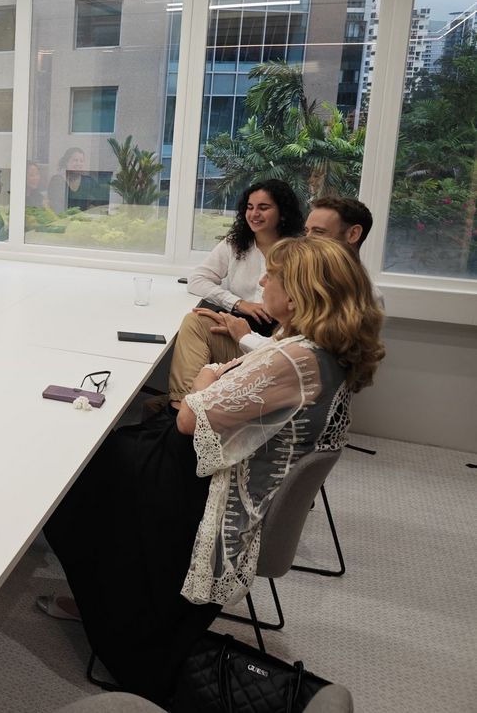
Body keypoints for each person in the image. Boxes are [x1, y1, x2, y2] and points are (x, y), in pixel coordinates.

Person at [41, 237, 385, 704]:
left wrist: (204, 381)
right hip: (233, 467)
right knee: (113, 451)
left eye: (273, 276)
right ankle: (101, 598)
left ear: (299, 295)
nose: (262, 280)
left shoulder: (297, 359)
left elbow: (189, 418)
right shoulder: (316, 348)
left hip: (218, 489)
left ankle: (109, 609)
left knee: (81, 473)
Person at [167, 179, 305, 408]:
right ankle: (182, 406)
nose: (254, 214)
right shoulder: (236, 243)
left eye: (263, 207)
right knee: (195, 320)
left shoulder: (300, 251)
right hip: (239, 327)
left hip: (278, 340)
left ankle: (190, 412)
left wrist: (245, 334)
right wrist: (238, 303)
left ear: (282, 213)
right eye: (250, 207)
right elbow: (197, 280)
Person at [191, 196, 378, 359]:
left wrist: (244, 336)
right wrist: (242, 329)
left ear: (353, 234)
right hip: (266, 353)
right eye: (306, 231)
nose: (307, 239)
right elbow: (284, 346)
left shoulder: (359, 295)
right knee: (198, 322)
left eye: (318, 232)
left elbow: (295, 360)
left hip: (275, 371)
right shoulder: (315, 280)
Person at [47, 147, 93, 214]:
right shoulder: (57, 181)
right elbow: (55, 207)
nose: (79, 164)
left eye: (81, 161)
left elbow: (95, 204)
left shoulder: (88, 181)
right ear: (66, 162)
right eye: (75, 160)